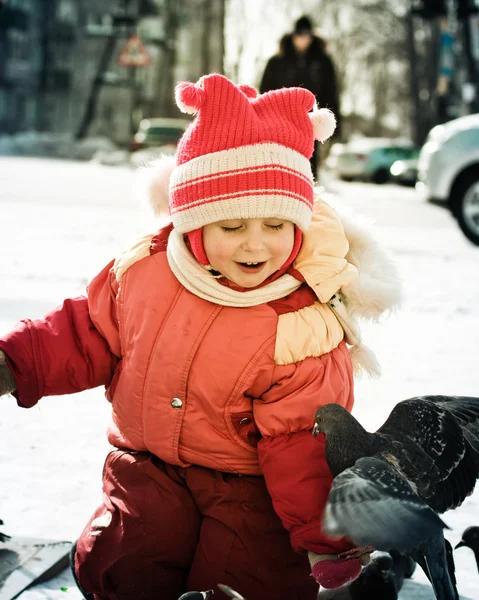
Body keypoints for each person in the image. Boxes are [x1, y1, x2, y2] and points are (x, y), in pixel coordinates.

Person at [0, 73, 400, 600]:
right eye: (231, 227)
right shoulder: (144, 273)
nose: (256, 245)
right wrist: (15, 363)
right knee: (126, 563)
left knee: (246, 578)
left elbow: (304, 443)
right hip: (148, 470)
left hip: (252, 491)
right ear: (193, 223)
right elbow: (86, 332)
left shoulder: (299, 324)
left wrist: (331, 539)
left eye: (276, 226)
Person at [260, 15, 342, 179]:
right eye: (299, 36)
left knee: (309, 163)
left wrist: (334, 123)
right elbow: (265, 91)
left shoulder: (323, 62)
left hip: (312, 120)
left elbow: (331, 91)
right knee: (283, 161)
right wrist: (263, 118)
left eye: (306, 37)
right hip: (281, 119)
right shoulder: (277, 61)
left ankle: (309, 196)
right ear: (293, 36)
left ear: (312, 37)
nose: (302, 41)